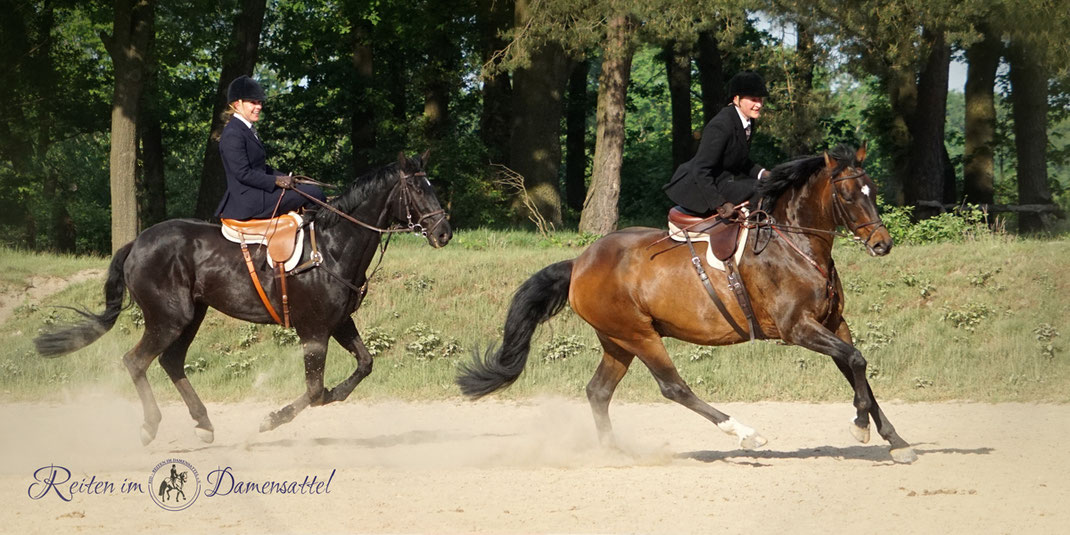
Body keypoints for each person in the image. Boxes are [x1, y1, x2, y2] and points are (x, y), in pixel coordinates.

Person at [215, 75, 326, 220]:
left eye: (259, 102)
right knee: (314, 195)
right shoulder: (233, 133)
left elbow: (259, 168)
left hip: (258, 192)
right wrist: (276, 181)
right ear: (237, 104)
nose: (259, 107)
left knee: (310, 190)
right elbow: (243, 174)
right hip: (250, 200)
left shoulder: (246, 129)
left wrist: (287, 178)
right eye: (253, 103)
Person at [663, 71, 770, 219]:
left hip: (723, 180)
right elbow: (700, 169)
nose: (758, 104)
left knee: (766, 186)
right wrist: (719, 203)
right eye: (753, 99)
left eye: (760, 99)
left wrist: (764, 174)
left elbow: (741, 161)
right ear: (736, 99)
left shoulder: (748, 121)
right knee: (758, 189)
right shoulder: (721, 125)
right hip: (700, 187)